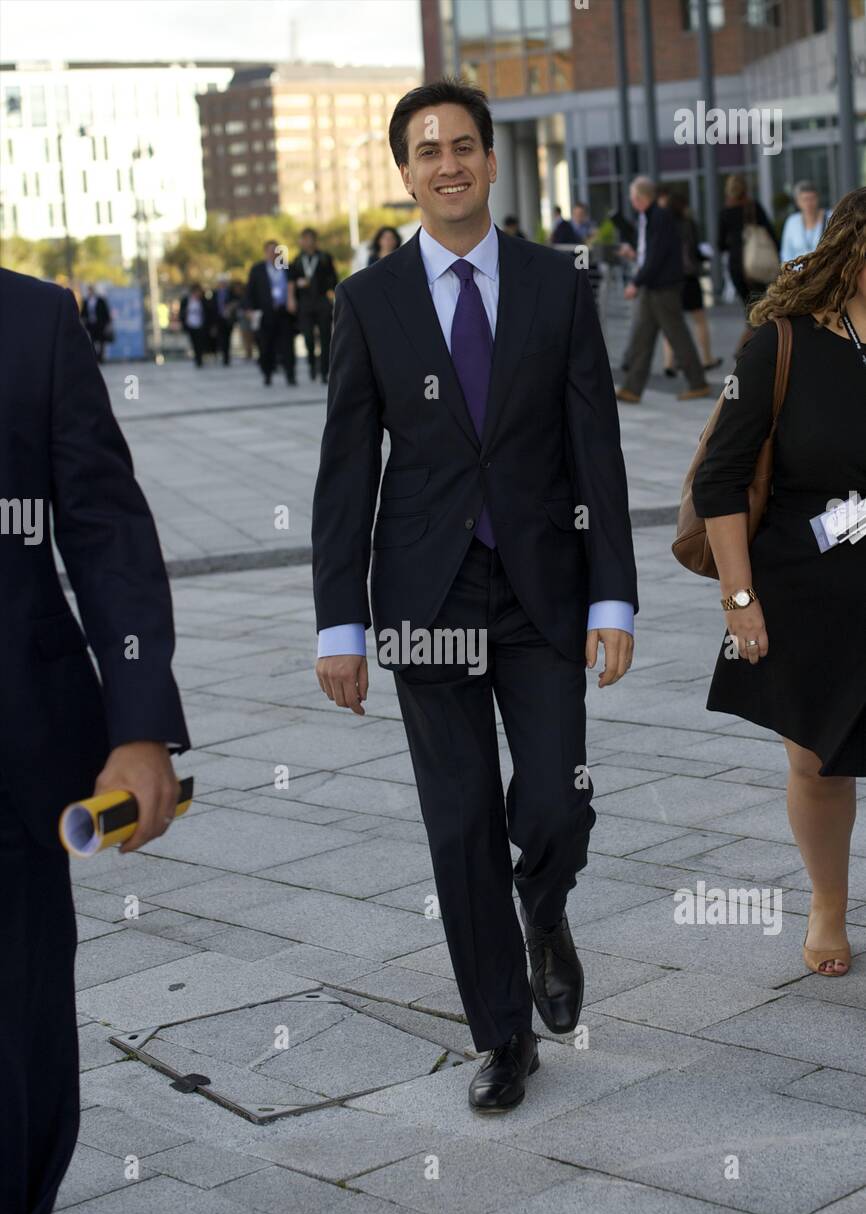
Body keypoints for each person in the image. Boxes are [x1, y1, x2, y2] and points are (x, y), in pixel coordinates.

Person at [312, 78, 637, 1113]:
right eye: (425, 149)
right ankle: (500, 1035)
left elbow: (598, 452)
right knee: (457, 824)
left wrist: (612, 600)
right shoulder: (368, 302)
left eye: (461, 144)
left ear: (490, 162)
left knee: (553, 800)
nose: (446, 162)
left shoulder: (555, 285)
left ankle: (542, 910)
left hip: (540, 589)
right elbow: (345, 471)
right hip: (425, 602)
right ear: (404, 174)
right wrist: (340, 621)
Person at [0, 267, 189, 1214]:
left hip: (13, 755)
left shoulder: (34, 322)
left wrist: (141, 722)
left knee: (16, 1042)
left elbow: (107, 528)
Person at [692, 186, 865, 979]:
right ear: (854, 251)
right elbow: (724, 479)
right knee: (817, 763)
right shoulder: (782, 341)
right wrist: (739, 599)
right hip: (811, 590)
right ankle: (828, 904)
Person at [615, 176, 709, 404]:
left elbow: (656, 257)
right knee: (641, 337)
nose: (630, 199)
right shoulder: (649, 218)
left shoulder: (659, 218)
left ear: (639, 197)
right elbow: (650, 253)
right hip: (653, 286)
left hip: (663, 288)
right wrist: (635, 257)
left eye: (632, 195)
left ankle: (698, 383)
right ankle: (632, 389)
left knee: (677, 336)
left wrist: (635, 282)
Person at [661, 190, 721, 374]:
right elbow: (695, 251)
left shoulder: (663, 225)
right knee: (699, 320)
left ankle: (669, 363)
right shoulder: (688, 224)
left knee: (670, 323)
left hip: (670, 280)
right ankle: (706, 358)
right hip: (689, 278)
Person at [719, 174, 780, 312]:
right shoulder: (753, 207)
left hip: (737, 265)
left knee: (749, 308)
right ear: (745, 189)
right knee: (763, 306)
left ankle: (754, 330)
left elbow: (720, 244)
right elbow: (771, 234)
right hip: (758, 264)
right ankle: (762, 331)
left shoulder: (725, 212)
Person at [288, 229, 338, 385]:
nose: (308, 242)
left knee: (325, 338)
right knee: (308, 337)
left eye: (311, 239)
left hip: (322, 301)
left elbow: (334, 279)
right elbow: (291, 281)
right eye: (305, 239)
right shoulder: (296, 260)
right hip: (305, 303)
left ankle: (324, 371)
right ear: (301, 241)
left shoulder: (324, 257)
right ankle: (311, 363)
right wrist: (291, 298)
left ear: (315, 241)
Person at [244, 240, 298, 386]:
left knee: (287, 345)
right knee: (266, 346)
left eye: (276, 250)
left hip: (283, 312)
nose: (273, 254)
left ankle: (290, 375)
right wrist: (249, 309)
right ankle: (267, 374)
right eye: (270, 251)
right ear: (265, 252)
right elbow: (249, 291)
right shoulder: (257, 269)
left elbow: (294, 284)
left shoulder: (286, 267)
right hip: (266, 313)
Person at [780, 181, 831, 264]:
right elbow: (786, 253)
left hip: (823, 271)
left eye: (812, 199)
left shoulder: (829, 217)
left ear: (818, 199)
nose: (809, 203)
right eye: (805, 199)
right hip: (798, 273)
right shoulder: (792, 222)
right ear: (798, 202)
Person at [212, 273, 241, 366]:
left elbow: (237, 301)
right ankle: (222, 355)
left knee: (227, 338)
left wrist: (230, 307)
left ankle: (226, 357)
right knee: (221, 338)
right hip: (218, 318)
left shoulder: (230, 292)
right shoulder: (215, 293)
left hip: (228, 319)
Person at [179, 283, 210, 368]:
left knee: (200, 343)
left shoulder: (203, 300)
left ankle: (200, 359)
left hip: (200, 325)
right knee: (194, 343)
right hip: (190, 325)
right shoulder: (186, 300)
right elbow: (181, 313)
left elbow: (208, 312)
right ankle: (197, 359)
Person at [79, 284, 112, 363]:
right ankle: (95, 357)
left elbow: (105, 313)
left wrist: (107, 323)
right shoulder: (86, 301)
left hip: (100, 324)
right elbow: (83, 313)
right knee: (92, 341)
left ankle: (101, 358)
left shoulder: (101, 300)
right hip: (90, 324)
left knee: (101, 341)